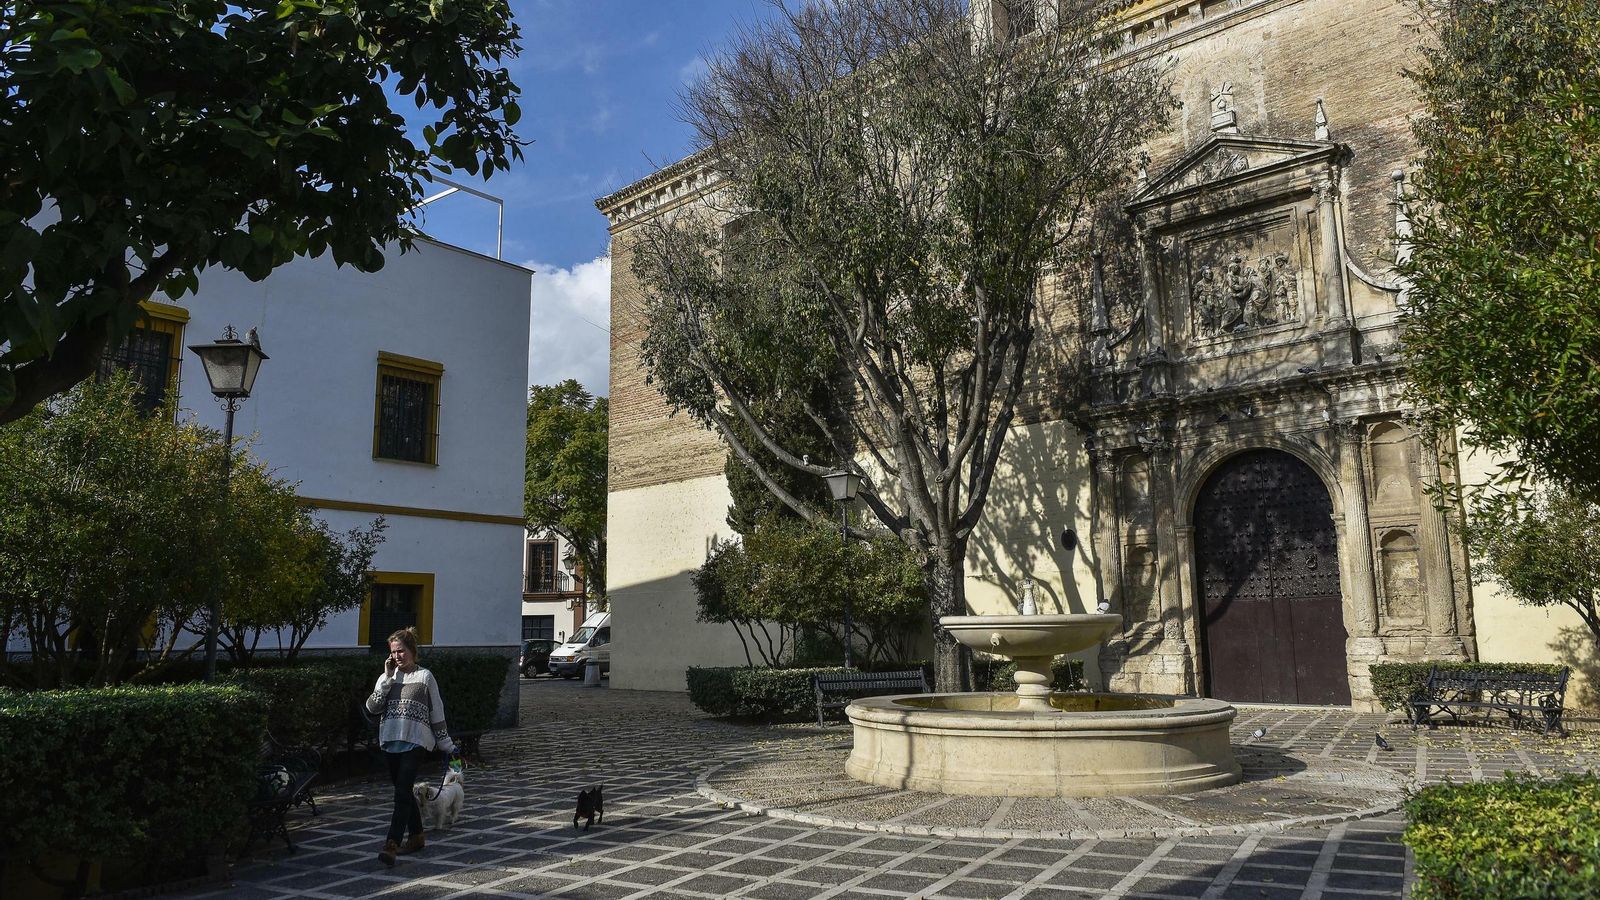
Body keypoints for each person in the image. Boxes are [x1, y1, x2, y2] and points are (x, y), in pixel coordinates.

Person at [365, 626, 455, 866]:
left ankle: (391, 844)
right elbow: (372, 707)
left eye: (401, 651)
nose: (397, 656)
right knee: (404, 792)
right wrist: (385, 679)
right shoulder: (387, 678)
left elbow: (437, 710)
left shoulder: (425, 677)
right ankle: (416, 836)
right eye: (393, 652)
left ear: (412, 650)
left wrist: (445, 742)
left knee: (400, 792)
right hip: (391, 742)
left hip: (416, 741)